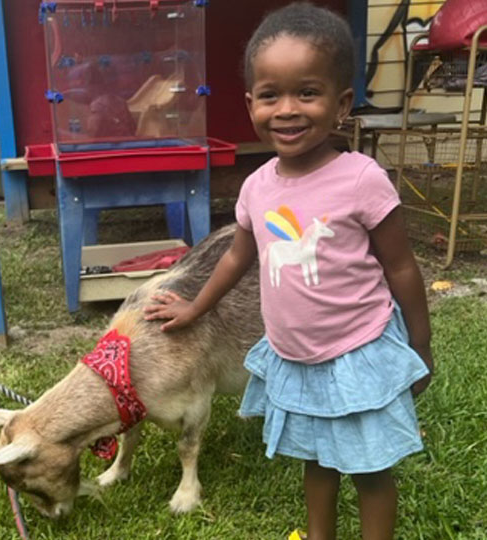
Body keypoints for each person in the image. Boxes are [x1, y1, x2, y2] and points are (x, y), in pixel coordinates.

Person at [144, 2, 433, 539]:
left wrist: (419, 346)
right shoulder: (257, 186)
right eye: (271, 95)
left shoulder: (361, 178)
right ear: (251, 102)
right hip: (295, 360)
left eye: (308, 92)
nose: (288, 110)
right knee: (316, 460)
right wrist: (194, 305)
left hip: (357, 352)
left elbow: (403, 268)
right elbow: (237, 255)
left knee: (370, 469)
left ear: (342, 102)